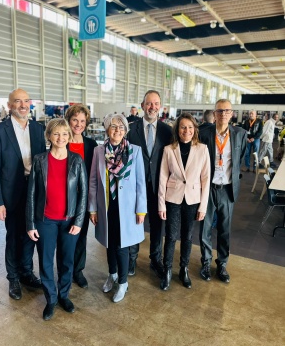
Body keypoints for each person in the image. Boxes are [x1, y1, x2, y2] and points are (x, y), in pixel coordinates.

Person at [0, 88, 46, 300]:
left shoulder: (39, 129)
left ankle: (26, 272)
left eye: (26, 101)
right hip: (11, 192)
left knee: (31, 233)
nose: (22, 105)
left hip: (34, 191)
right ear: (10, 105)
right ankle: (13, 277)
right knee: (13, 235)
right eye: (17, 101)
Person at [26, 118, 88, 320]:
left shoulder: (77, 160)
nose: (60, 137)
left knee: (66, 261)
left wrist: (79, 222)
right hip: (45, 221)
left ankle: (63, 295)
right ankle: (51, 299)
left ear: (69, 136)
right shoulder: (39, 160)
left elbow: (83, 194)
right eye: (56, 133)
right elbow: (32, 193)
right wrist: (30, 223)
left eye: (64, 133)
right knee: (45, 262)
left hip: (69, 220)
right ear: (49, 136)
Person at [88, 113, 147, 303]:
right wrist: (92, 209)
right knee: (109, 244)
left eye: (121, 127)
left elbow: (140, 183)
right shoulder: (99, 151)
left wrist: (141, 209)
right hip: (106, 206)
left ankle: (123, 282)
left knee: (122, 247)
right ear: (107, 130)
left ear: (125, 131)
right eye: (113, 127)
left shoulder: (134, 151)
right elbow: (94, 182)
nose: (117, 131)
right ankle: (112, 274)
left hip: (127, 209)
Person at [158, 113, 210, 291]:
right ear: (177, 130)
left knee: (187, 237)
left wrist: (203, 206)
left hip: (193, 199)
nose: (186, 131)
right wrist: (161, 204)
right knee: (171, 236)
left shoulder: (202, 150)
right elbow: (163, 178)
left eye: (189, 127)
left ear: (194, 129)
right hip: (172, 198)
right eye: (182, 127)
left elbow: (206, 179)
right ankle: (167, 271)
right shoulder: (168, 149)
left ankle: (184, 269)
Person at [199, 99, 246, 283]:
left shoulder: (240, 134)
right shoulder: (204, 133)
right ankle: (206, 262)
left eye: (227, 111)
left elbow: (239, 158)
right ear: (214, 113)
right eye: (219, 111)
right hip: (207, 188)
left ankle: (222, 264)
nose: (223, 114)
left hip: (227, 189)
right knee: (205, 227)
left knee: (224, 229)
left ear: (232, 113)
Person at [127, 90, 172, 277]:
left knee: (157, 225)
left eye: (156, 103)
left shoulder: (168, 131)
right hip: (135, 187)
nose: (152, 107)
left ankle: (155, 259)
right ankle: (131, 259)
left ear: (160, 106)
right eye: (149, 103)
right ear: (142, 105)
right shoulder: (130, 129)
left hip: (158, 187)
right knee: (135, 223)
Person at [65, 104, 98, 289]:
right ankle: (66, 271)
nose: (78, 124)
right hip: (64, 198)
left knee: (81, 235)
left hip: (83, 199)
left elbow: (94, 175)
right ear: (69, 120)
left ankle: (78, 270)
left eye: (82, 121)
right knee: (65, 237)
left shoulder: (91, 145)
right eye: (75, 120)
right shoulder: (61, 141)